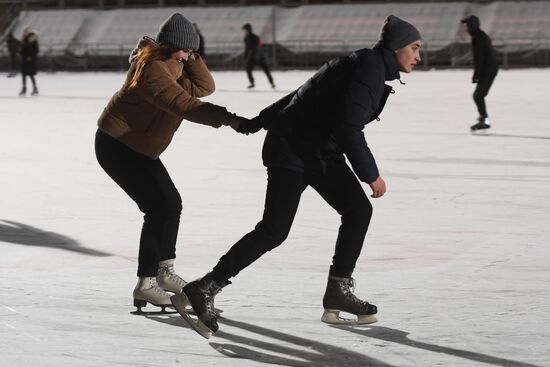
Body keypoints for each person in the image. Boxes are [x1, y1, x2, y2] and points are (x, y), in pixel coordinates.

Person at [172, 14, 422, 338]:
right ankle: (205, 286)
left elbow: (306, 90)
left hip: (318, 150)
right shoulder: (368, 67)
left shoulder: (365, 64)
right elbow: (349, 127)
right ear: (397, 47)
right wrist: (370, 175)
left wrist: (260, 120)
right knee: (274, 230)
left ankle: (337, 291)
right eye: (414, 48)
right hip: (291, 147)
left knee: (358, 211)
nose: (418, 56)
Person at [94, 13, 250, 313]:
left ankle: (163, 271)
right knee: (158, 208)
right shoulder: (151, 69)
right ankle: (147, 283)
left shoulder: (176, 64)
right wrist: (229, 119)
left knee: (171, 204)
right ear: (169, 46)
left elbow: (205, 87)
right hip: (118, 145)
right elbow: (184, 104)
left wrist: (190, 56)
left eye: (192, 51)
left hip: (138, 147)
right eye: (185, 50)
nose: (188, 56)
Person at [461, 15, 498, 132]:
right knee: (478, 95)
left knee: (478, 95)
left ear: (472, 25)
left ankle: (485, 120)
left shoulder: (478, 37)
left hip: (488, 70)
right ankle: (484, 119)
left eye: (466, 25)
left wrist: (476, 75)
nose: (465, 28)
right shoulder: (479, 35)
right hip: (489, 69)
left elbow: (479, 58)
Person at [242, 23, 275, 89]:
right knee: (248, 69)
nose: (244, 32)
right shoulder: (247, 38)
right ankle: (252, 83)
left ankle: (272, 82)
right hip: (253, 57)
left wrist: (248, 56)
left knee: (266, 70)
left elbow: (256, 47)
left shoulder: (254, 37)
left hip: (258, 57)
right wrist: (245, 57)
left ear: (247, 29)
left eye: (244, 30)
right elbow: (247, 48)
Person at [19, 27, 39, 96]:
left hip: (30, 61)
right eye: (24, 32)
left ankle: (35, 88)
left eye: (25, 32)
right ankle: (24, 88)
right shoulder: (24, 40)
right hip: (24, 60)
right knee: (23, 75)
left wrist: (30, 57)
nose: (24, 33)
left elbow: (36, 50)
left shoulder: (33, 40)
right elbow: (22, 50)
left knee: (31, 75)